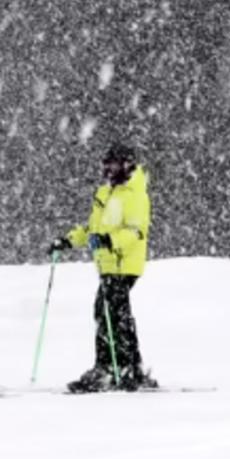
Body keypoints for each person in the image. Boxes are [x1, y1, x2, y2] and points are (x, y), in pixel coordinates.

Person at [50, 142, 155, 392]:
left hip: (123, 263)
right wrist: (68, 240)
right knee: (115, 313)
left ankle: (108, 367)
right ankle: (130, 366)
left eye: (114, 164)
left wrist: (110, 241)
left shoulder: (135, 195)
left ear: (128, 165)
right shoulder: (105, 194)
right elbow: (93, 228)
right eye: (106, 164)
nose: (108, 169)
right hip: (107, 264)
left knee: (107, 311)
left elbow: (136, 232)